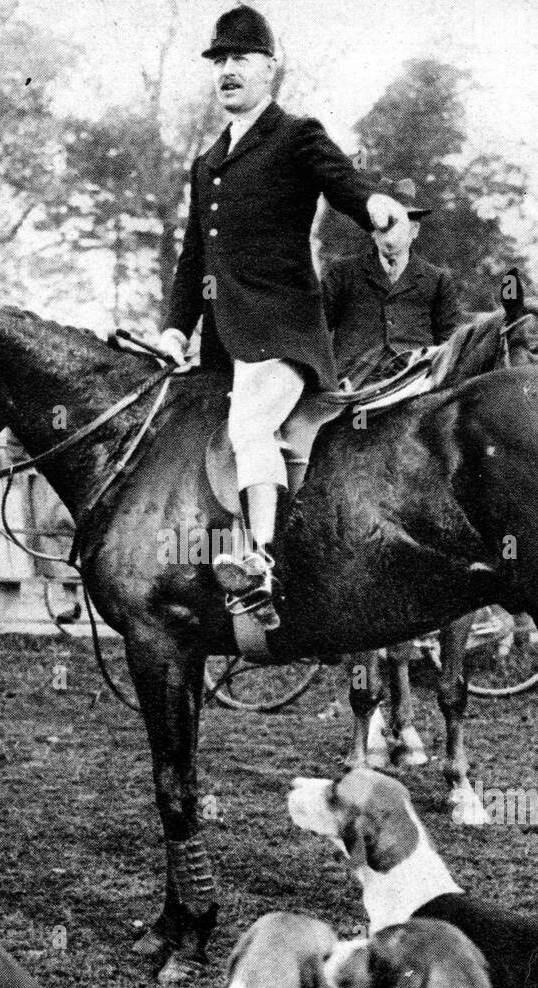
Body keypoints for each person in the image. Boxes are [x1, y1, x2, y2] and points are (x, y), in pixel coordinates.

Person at [157, 5, 408, 630]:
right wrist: (173, 326)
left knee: (250, 429)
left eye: (240, 59)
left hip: (281, 331)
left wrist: (373, 203)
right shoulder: (208, 159)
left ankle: (262, 561)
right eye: (218, 61)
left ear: (272, 69)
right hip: (224, 342)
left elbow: (344, 182)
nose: (227, 72)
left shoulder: (297, 134)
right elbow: (195, 257)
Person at [321, 178, 463, 388]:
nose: (389, 238)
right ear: (372, 231)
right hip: (353, 383)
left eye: (398, 228)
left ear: (414, 231)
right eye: (383, 228)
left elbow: (451, 339)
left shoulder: (437, 280)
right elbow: (317, 325)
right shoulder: (343, 273)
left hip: (415, 380)